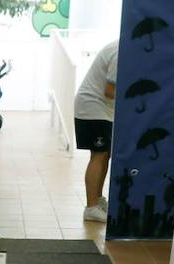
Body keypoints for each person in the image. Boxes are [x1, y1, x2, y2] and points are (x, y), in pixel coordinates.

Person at [73, 40, 120, 222]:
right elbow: (110, 91)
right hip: (93, 107)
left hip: (102, 110)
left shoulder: (120, 46)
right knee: (99, 156)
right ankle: (91, 207)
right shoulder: (119, 51)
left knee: (104, 154)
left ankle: (98, 201)